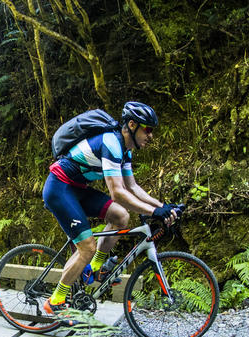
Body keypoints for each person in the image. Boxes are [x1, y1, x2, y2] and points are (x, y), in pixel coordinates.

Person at [41, 102, 177, 324]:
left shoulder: (125, 150)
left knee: (121, 217)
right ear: (132, 125)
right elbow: (118, 193)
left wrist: (162, 206)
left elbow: (132, 188)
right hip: (59, 188)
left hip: (77, 189)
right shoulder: (111, 143)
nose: (150, 136)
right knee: (86, 247)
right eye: (148, 129)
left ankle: (93, 268)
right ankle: (55, 301)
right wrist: (154, 211)